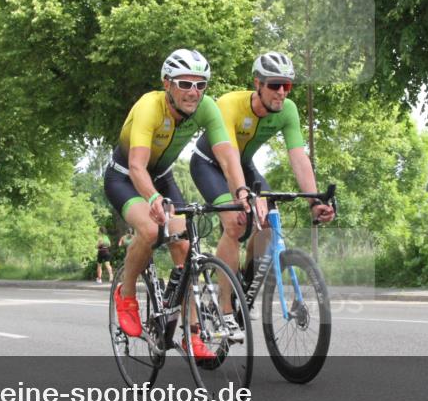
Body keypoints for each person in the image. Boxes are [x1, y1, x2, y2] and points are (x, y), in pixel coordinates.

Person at [104, 48, 253, 360]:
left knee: (187, 249)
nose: (193, 92)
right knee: (149, 229)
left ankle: (192, 333)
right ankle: (126, 294)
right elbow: (136, 166)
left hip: (163, 177)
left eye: (201, 84)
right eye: (185, 83)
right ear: (166, 84)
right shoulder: (149, 107)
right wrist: (154, 200)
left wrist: (240, 192)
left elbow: (227, 156)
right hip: (125, 177)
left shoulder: (206, 108)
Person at [190, 51, 335, 292]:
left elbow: (298, 157)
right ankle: (226, 311)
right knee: (236, 224)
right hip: (209, 165)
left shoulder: (288, 110)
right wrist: (243, 196)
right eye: (275, 85)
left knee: (269, 224)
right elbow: (229, 157)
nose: (282, 92)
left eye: (287, 85)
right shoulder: (229, 104)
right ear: (258, 83)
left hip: (244, 165)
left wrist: (314, 201)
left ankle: (245, 287)